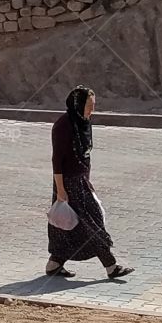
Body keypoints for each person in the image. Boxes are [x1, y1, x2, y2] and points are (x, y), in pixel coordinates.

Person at [46, 86, 134, 280]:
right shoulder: (63, 125)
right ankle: (111, 266)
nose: (91, 110)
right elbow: (57, 160)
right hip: (68, 184)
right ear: (78, 103)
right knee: (92, 223)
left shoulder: (83, 122)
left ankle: (54, 263)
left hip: (81, 181)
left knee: (71, 227)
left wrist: (88, 180)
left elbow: (84, 157)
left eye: (93, 105)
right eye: (89, 105)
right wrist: (60, 189)